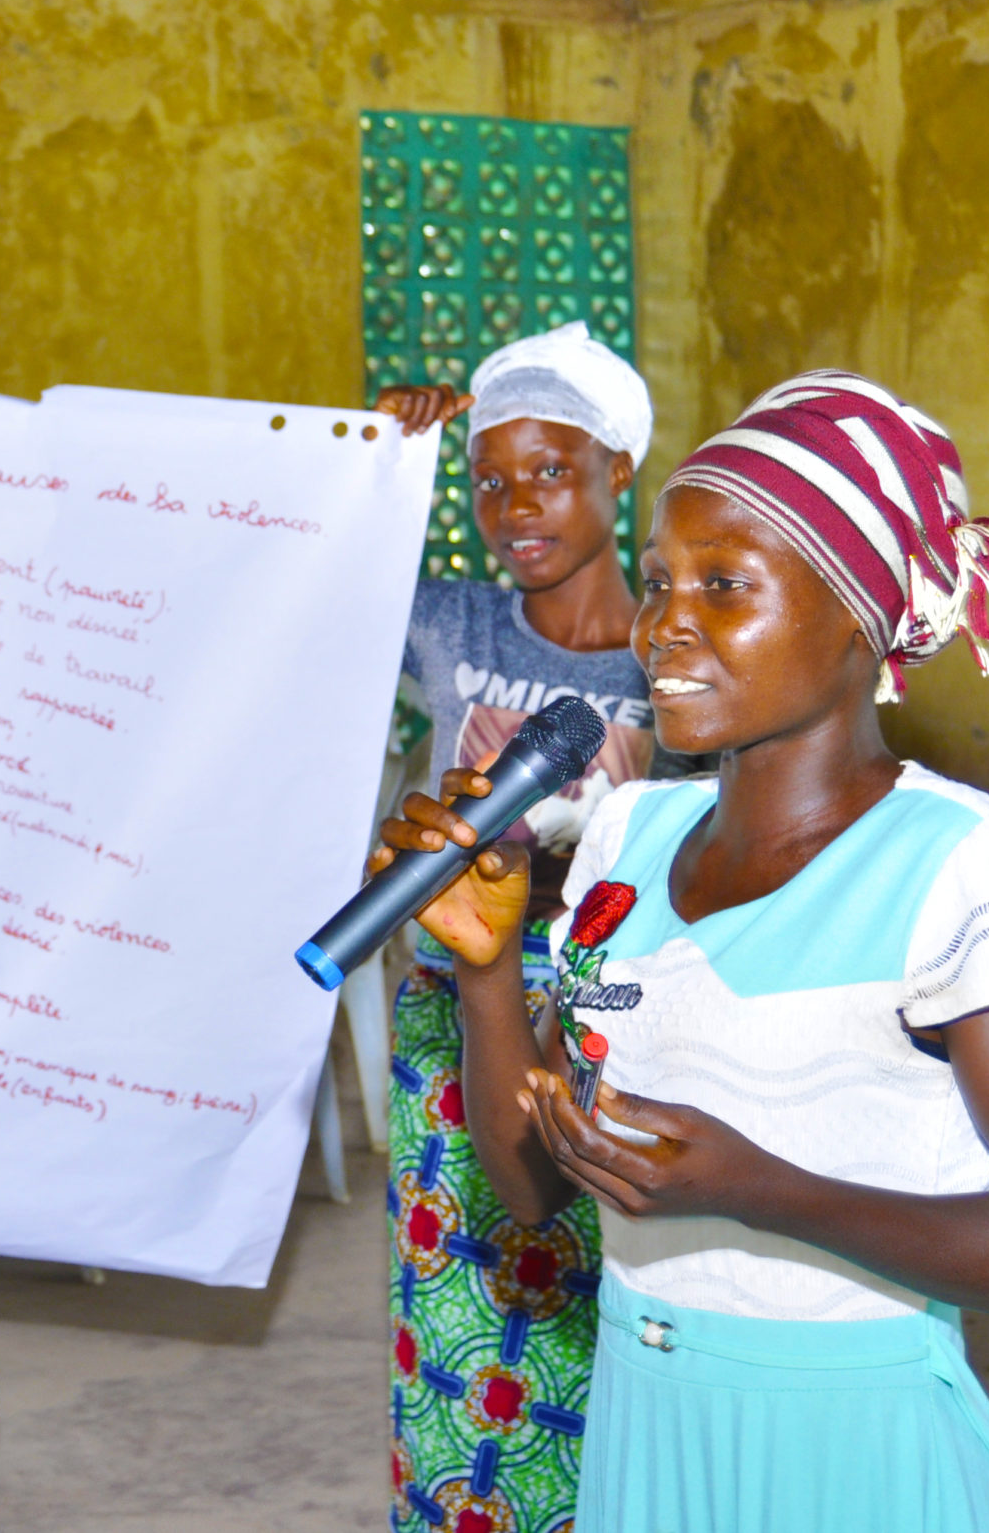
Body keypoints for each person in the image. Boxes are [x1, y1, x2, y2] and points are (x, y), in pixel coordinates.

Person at [377, 372, 989, 1531]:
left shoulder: (962, 866)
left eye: (724, 585)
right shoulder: (628, 837)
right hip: (643, 1422)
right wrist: (485, 973)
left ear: (858, 614)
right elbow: (528, 1188)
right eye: (658, 582)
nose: (664, 624)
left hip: (855, 1437)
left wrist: (760, 1188)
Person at [370, 320, 661, 1529]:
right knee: (455, 1305)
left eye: (549, 470)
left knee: (604, 1313)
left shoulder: (674, 655)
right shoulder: (455, 625)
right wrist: (378, 458)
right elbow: (297, 568)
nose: (515, 504)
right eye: (488, 480)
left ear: (616, 471)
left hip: (616, 1015)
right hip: (454, 1011)